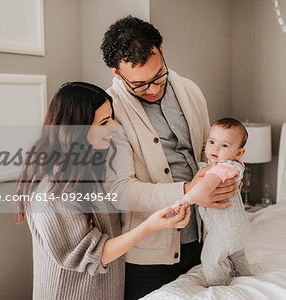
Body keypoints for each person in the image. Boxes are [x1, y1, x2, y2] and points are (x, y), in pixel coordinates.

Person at [100, 16, 238, 299]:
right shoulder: (108, 111)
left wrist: (224, 175)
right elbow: (118, 190)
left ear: (161, 52)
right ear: (116, 72)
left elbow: (206, 151)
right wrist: (189, 192)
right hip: (149, 256)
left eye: (158, 76)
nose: (152, 89)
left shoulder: (190, 90)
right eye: (139, 85)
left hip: (201, 238)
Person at [14, 82, 191, 300]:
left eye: (112, 118)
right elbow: (95, 253)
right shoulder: (51, 191)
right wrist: (150, 226)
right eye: (104, 122)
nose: (113, 127)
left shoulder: (90, 163)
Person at [172, 118, 252, 286]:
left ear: (239, 153)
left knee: (209, 259)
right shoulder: (234, 165)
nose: (215, 148)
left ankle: (218, 288)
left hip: (224, 232)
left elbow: (205, 187)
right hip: (240, 229)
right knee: (237, 255)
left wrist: (184, 200)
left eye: (224, 145)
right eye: (212, 141)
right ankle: (246, 279)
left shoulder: (221, 168)